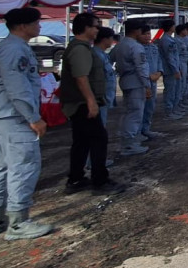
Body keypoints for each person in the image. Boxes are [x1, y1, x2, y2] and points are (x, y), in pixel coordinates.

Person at [0, 7, 53, 241]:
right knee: (24, 166)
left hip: (2, 115)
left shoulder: (11, 47)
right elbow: (17, 86)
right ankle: (18, 222)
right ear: (23, 26)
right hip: (13, 116)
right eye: (36, 22)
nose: (39, 26)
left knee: (3, 167)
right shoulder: (14, 49)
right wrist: (33, 117)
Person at [60, 12, 123, 195]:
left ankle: (76, 178)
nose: (97, 29)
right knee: (98, 139)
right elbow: (81, 78)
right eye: (95, 26)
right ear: (86, 28)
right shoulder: (80, 49)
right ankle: (100, 180)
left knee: (82, 142)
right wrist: (91, 102)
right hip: (82, 104)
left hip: (80, 103)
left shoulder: (82, 47)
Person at [111, 19, 153, 156]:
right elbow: (140, 67)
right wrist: (147, 85)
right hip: (136, 82)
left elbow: (109, 59)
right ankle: (129, 144)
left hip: (125, 80)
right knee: (135, 113)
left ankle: (129, 140)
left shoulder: (120, 45)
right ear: (136, 31)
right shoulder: (135, 47)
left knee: (128, 111)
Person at [91, 27, 117, 168]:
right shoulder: (96, 55)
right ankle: (93, 161)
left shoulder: (102, 54)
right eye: (111, 38)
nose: (112, 41)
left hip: (104, 98)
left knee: (101, 129)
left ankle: (96, 159)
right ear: (105, 39)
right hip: (99, 99)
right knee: (97, 131)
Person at [140, 27, 164, 138]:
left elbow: (159, 61)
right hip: (142, 81)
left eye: (149, 34)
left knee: (150, 107)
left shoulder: (153, 47)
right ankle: (138, 132)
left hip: (154, 80)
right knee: (140, 109)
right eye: (144, 34)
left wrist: (159, 72)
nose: (148, 36)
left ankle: (146, 129)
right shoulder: (137, 48)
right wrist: (148, 75)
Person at [157, 19, 183, 120]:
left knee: (175, 90)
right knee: (170, 91)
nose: (174, 27)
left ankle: (173, 109)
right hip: (169, 70)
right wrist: (175, 70)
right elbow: (169, 57)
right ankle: (169, 112)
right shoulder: (166, 40)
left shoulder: (169, 39)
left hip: (173, 68)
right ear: (170, 27)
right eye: (173, 25)